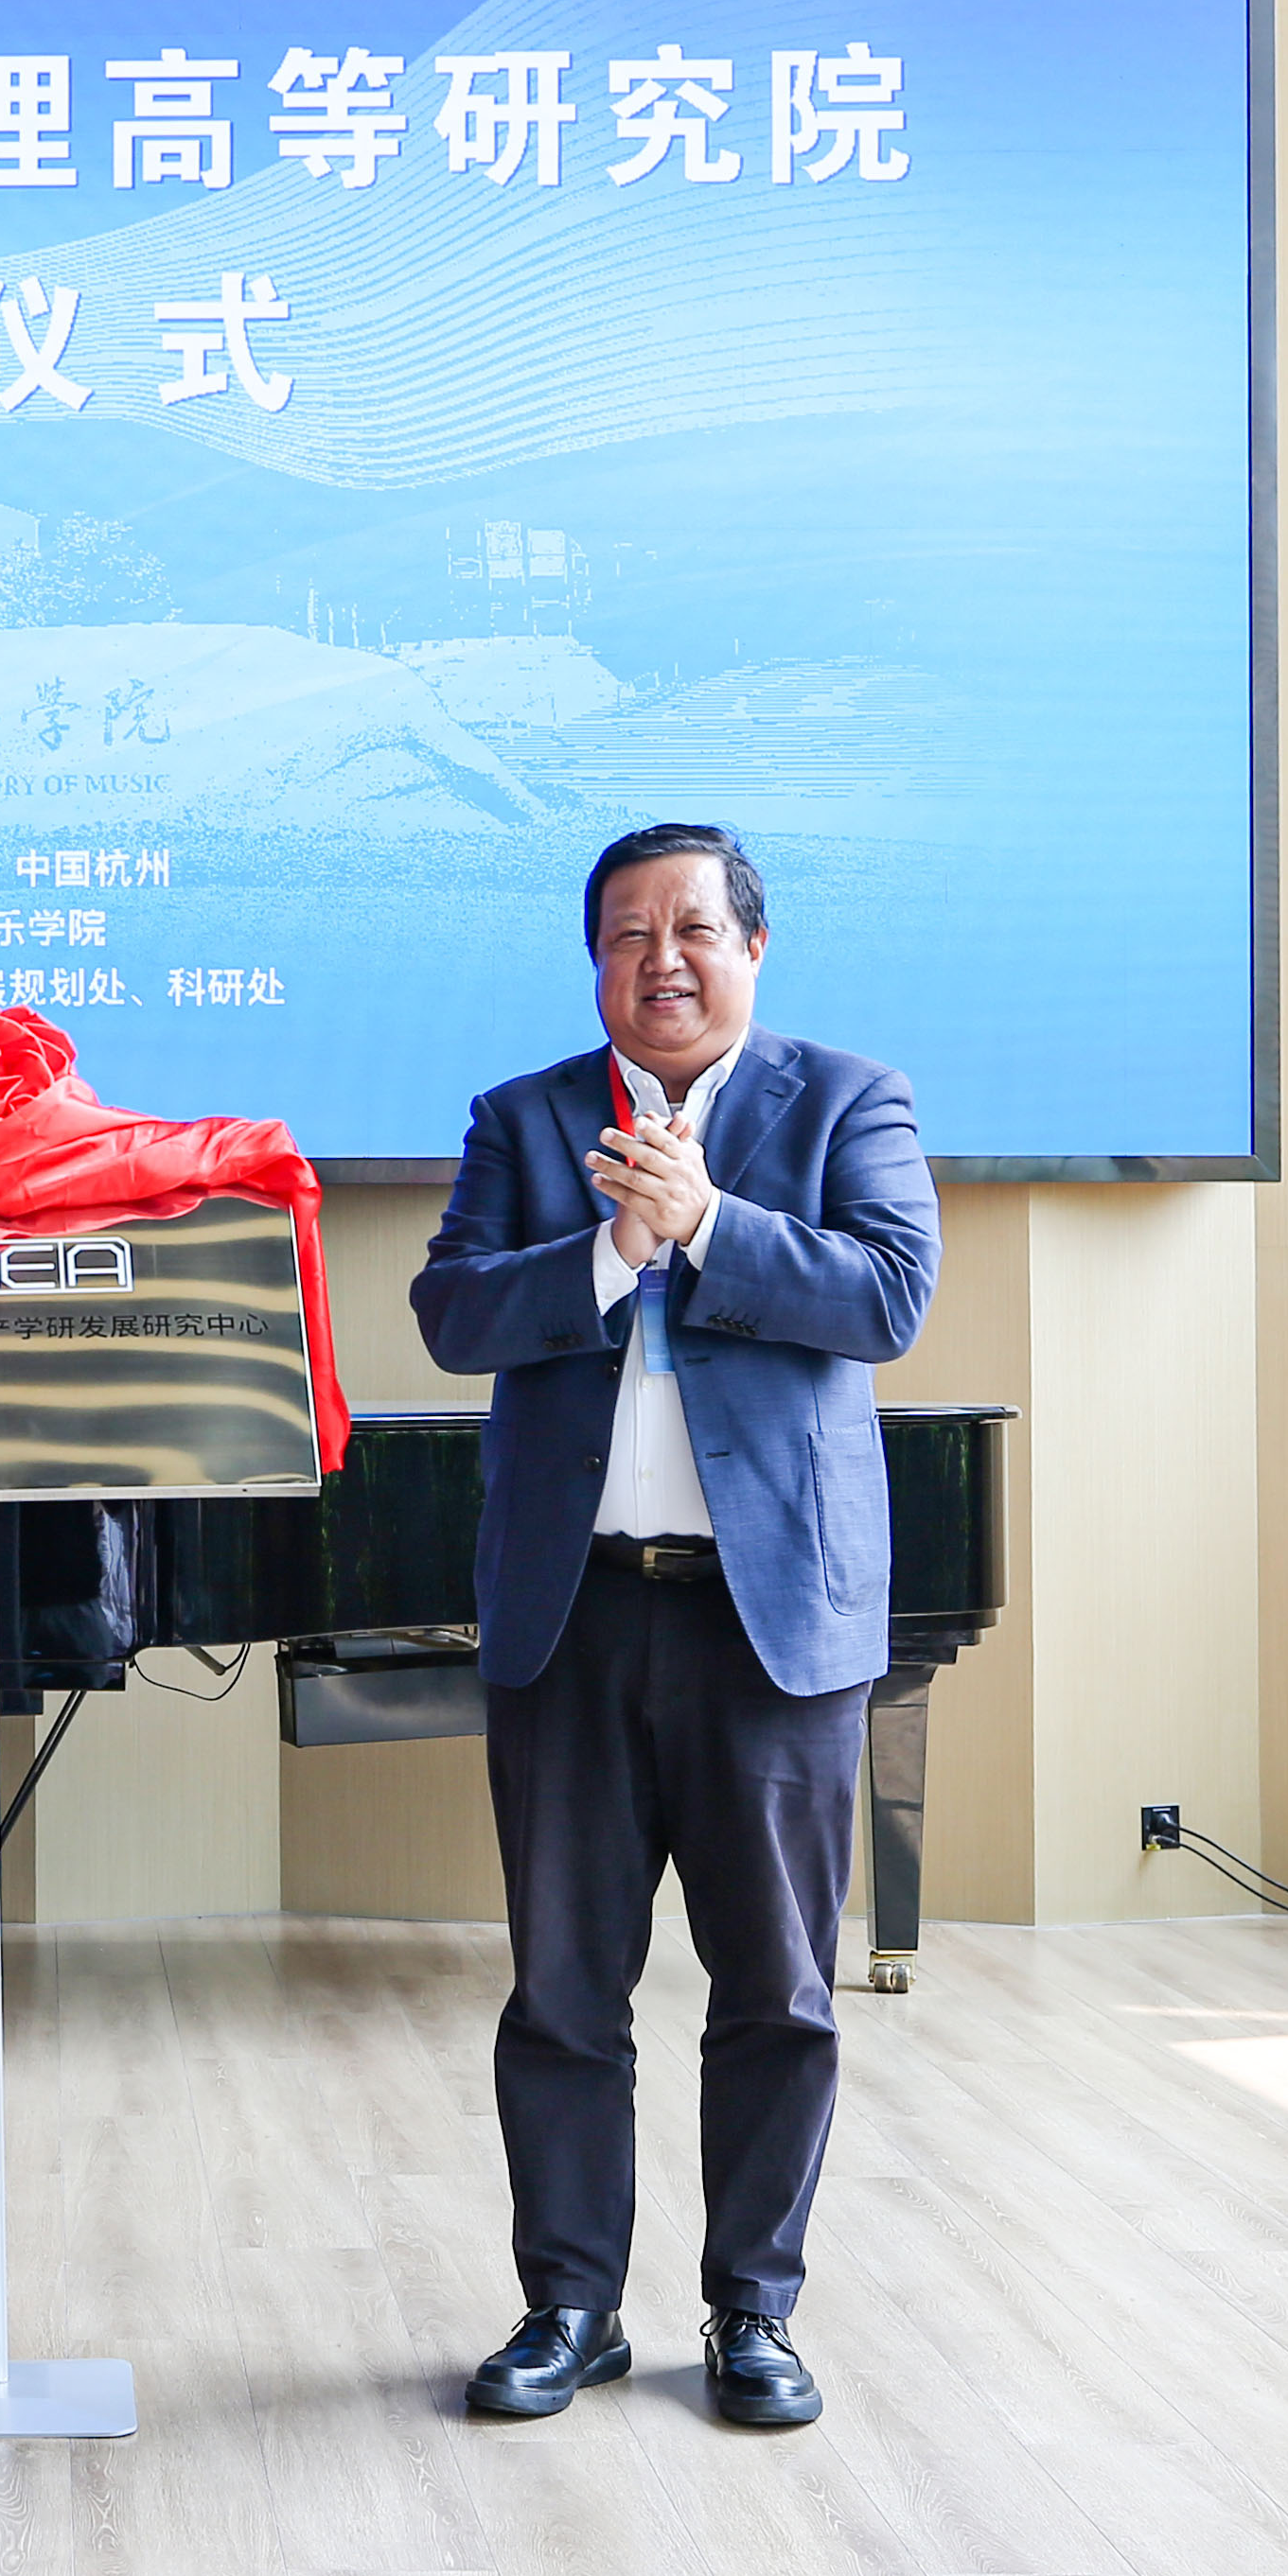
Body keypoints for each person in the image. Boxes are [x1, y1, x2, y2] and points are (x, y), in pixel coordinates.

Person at [406, 822, 938, 2429]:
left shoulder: (846, 1099)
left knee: (775, 1990)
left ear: (750, 947)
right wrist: (607, 1247)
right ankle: (568, 2306)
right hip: (571, 1615)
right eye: (627, 932)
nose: (661, 958)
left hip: (765, 1628)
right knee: (563, 1991)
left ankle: (751, 2310)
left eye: (692, 927)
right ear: (595, 961)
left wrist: (703, 1221)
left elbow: (887, 1295)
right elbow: (450, 1315)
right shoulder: (524, 1117)